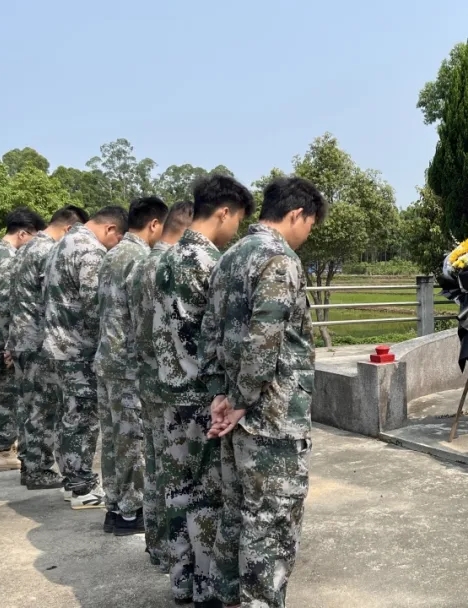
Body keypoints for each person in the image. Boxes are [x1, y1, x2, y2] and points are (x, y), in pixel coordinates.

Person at [203, 177, 327, 608]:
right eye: (309, 224)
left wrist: (221, 396)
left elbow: (210, 333)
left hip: (237, 409)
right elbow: (264, 341)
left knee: (237, 511)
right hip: (272, 414)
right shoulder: (278, 259)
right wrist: (239, 401)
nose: (307, 233)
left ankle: (228, 597)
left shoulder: (229, 257)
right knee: (271, 520)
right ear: (297, 214)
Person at [154, 175, 253, 607]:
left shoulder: (167, 258)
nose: (236, 230)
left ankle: (182, 583)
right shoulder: (210, 263)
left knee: (178, 490)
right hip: (202, 398)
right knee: (209, 495)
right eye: (238, 220)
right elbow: (220, 337)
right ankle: (209, 588)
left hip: (170, 393)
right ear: (224, 212)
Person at [42, 205, 127, 509]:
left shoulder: (60, 243)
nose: (114, 246)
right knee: (82, 419)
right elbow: (96, 306)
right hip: (79, 348)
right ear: (110, 229)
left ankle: (72, 481)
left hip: (59, 345)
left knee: (69, 416)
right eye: (117, 240)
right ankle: (81, 487)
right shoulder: (90, 251)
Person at [94, 196, 169, 535]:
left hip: (108, 359)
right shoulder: (140, 259)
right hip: (129, 364)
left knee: (112, 439)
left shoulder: (110, 255)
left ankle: (114, 506)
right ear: (154, 224)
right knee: (132, 440)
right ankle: (131, 510)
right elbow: (146, 317)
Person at [7, 205, 89, 490]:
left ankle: (30, 465)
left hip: (21, 339)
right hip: (37, 342)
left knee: (29, 406)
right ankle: (37, 469)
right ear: (69, 228)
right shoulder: (47, 251)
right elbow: (51, 301)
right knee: (44, 409)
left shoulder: (26, 248)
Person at [131, 200, 194, 570]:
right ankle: (176, 552)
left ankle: (158, 546)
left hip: (148, 377)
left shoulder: (143, 263)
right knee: (176, 471)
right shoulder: (172, 265)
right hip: (171, 382)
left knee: (155, 466)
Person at [0, 207, 46, 474]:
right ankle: (4, 451)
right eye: (33, 237)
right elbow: (9, 304)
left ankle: (1, 447)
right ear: (23, 233)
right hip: (3, 336)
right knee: (6, 395)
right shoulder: (8, 259)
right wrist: (12, 342)